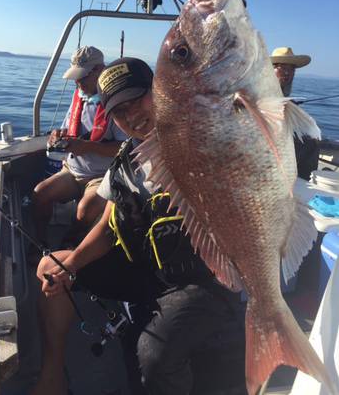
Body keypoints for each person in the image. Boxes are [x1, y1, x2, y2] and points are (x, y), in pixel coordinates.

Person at [32, 57, 246, 395]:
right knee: (50, 265)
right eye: (119, 111)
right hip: (147, 269)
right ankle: (53, 374)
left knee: (154, 353)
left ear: (160, 91)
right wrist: (70, 265)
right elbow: (106, 226)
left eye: (138, 100)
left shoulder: (202, 137)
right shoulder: (126, 161)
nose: (132, 116)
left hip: (203, 278)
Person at [32, 46, 126, 245]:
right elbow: (67, 128)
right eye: (76, 77)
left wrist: (88, 147)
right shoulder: (80, 97)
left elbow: (126, 147)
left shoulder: (117, 104)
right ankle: (39, 243)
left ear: (100, 70)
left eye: (82, 77)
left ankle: (71, 241)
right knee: (40, 193)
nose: (78, 82)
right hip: (72, 170)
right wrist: (57, 135)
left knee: (85, 210)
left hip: (101, 176)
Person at [271, 46, 320, 180]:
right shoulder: (260, 88)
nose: (288, 73)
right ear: (271, 69)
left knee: (312, 139)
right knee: (310, 141)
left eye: (292, 69)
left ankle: (303, 180)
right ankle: (303, 180)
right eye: (283, 67)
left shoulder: (284, 92)